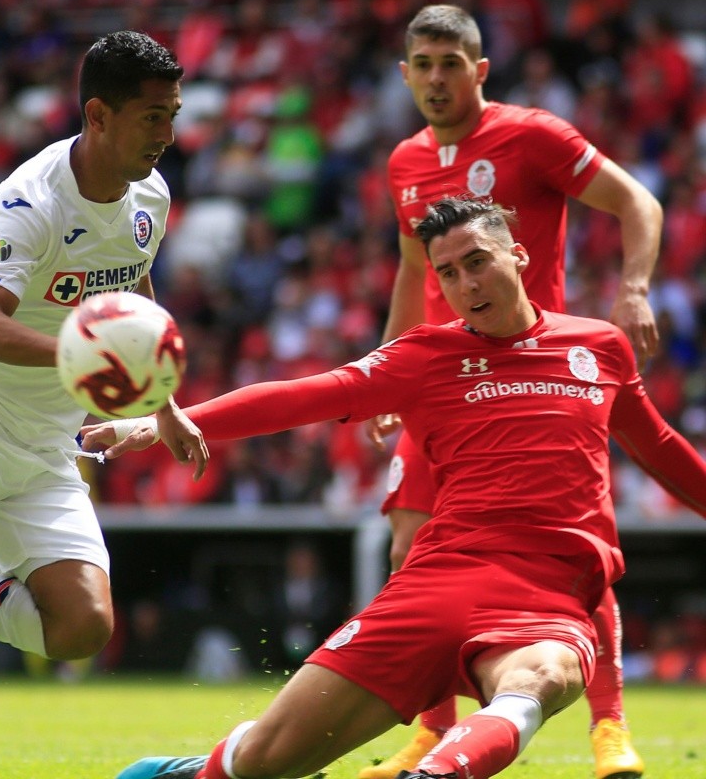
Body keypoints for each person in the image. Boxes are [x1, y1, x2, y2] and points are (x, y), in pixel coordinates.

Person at [81, 197, 706, 779]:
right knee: (268, 761)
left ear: (518, 254)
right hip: (435, 585)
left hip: (544, 598)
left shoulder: (598, 347)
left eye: (477, 262)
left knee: (545, 675)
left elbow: (662, 451)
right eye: (448, 273)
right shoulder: (425, 355)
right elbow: (306, 396)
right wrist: (165, 423)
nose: (465, 285)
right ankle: (198, 769)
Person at [364, 4, 662, 779]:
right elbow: (408, 269)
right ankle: (433, 731)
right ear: (405, 73)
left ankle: (610, 730)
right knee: (409, 545)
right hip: (442, 384)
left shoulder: (534, 136)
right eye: (422, 64)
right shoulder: (403, 162)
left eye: (450, 63)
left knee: (573, 555)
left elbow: (638, 201)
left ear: (479, 70)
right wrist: (389, 370)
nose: (435, 78)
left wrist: (633, 289)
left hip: (537, 378)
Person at [0, 31, 208, 668]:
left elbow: (134, 289)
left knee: (83, 627)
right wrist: (84, 353)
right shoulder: (30, 201)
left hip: (47, 443)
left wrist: (163, 406)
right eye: (153, 117)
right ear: (98, 115)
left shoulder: (150, 194)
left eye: (173, 115)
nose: (168, 134)